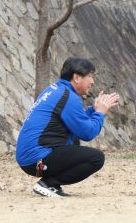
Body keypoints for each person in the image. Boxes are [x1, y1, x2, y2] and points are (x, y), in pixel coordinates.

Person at [16, 57, 120, 197]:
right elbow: (88, 133)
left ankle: (49, 183)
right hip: (36, 159)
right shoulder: (68, 96)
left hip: (29, 158)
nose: (92, 81)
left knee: (74, 140)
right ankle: (48, 184)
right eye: (90, 76)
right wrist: (100, 113)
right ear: (77, 77)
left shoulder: (55, 90)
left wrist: (94, 110)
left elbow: (77, 123)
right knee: (96, 158)